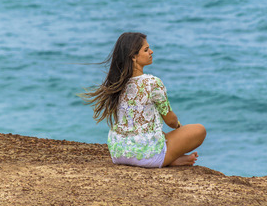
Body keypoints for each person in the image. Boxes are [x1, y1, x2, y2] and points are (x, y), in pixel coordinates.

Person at [81, 32, 206, 168]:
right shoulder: (152, 82)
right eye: (146, 50)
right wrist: (179, 127)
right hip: (146, 156)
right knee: (199, 130)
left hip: (119, 153)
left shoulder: (116, 83)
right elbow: (170, 121)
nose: (151, 52)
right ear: (134, 57)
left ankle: (174, 159)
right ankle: (167, 160)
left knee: (158, 134)